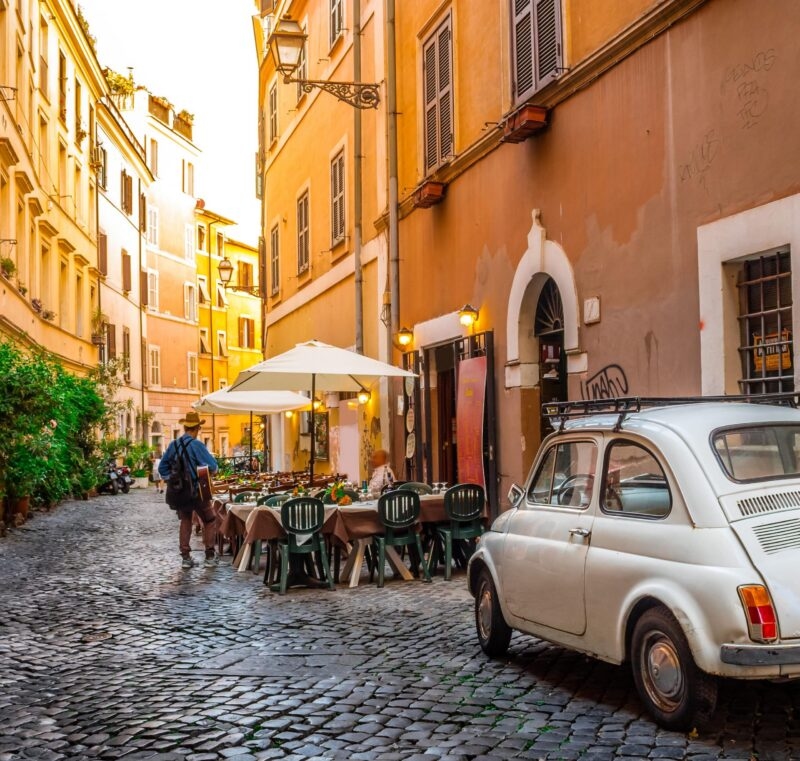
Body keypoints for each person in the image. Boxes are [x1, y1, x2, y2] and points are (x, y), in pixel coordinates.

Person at [159, 411, 219, 569]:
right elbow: (213, 466)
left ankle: (185, 558)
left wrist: (171, 479)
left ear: (185, 427)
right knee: (209, 519)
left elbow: (162, 467)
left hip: (180, 492)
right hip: (197, 490)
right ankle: (210, 555)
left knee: (185, 521)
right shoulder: (197, 445)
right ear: (197, 428)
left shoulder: (173, 445)